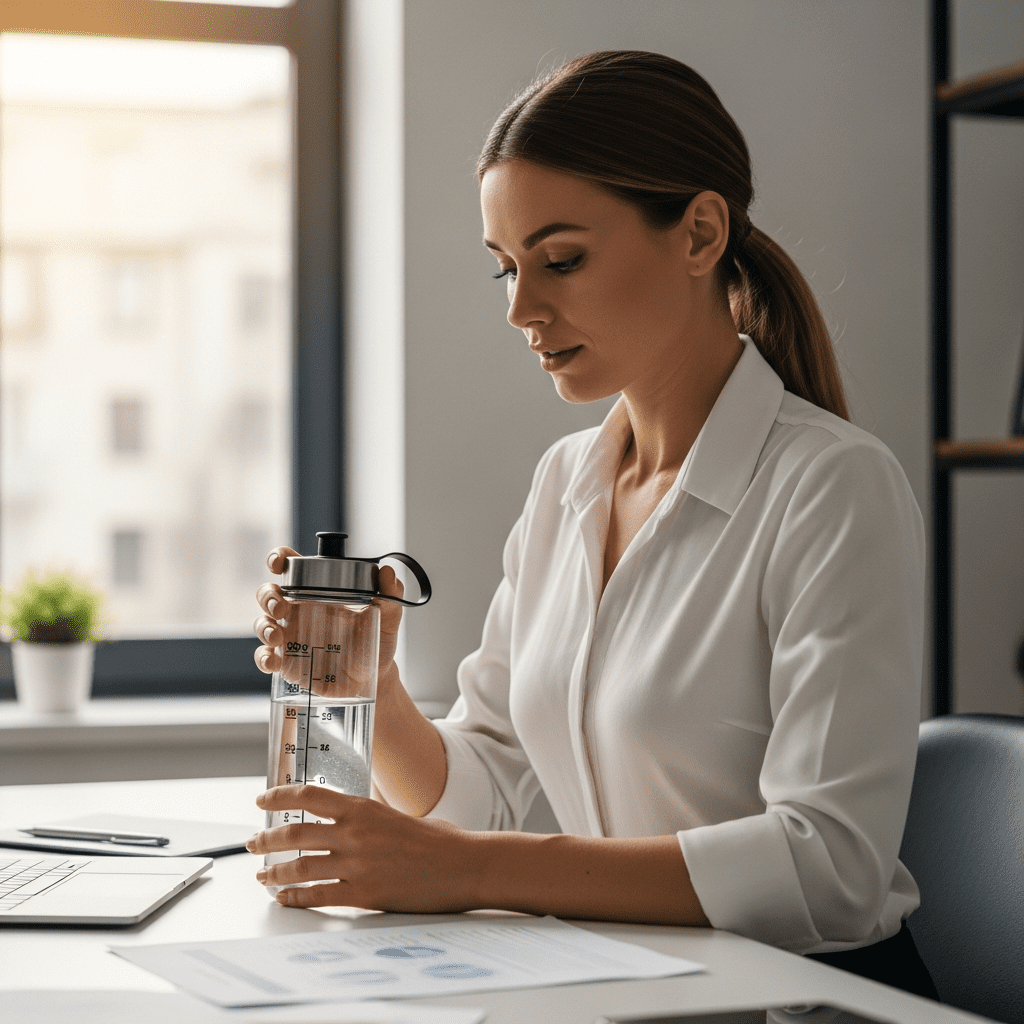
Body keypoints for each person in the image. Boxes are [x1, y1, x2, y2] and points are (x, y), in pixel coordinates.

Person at [247, 51, 937, 999]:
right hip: (630, 989)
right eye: (505, 269)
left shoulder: (833, 488)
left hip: (802, 1003)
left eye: (561, 260)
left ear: (700, 233)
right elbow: (493, 788)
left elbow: (830, 867)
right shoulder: (567, 481)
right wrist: (381, 692)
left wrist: (469, 874)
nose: (523, 309)